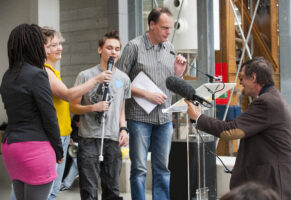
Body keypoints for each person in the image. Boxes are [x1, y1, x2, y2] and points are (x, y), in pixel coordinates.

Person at [185, 57, 291, 200]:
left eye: (242, 77)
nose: (240, 82)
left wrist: (199, 117)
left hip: (275, 184)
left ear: (254, 77)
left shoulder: (266, 102)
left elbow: (230, 130)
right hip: (277, 181)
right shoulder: (272, 98)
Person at [115, 7, 187, 200]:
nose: (168, 32)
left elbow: (172, 84)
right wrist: (145, 93)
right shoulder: (134, 47)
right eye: (164, 28)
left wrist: (178, 73)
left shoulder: (170, 49)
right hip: (138, 118)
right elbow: (118, 81)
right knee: (138, 168)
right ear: (152, 25)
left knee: (162, 168)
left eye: (170, 28)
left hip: (164, 118)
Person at [39, 27, 113, 200]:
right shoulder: (45, 71)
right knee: (49, 191)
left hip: (63, 136)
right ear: (42, 48)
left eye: (59, 44)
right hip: (53, 137)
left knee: (53, 189)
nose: (59, 48)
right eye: (53, 45)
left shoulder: (53, 72)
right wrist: (96, 80)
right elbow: (68, 95)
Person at [0, 24, 63, 200]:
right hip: (35, 149)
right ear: (35, 45)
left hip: (10, 147)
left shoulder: (8, 75)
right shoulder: (38, 74)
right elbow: (49, 117)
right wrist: (59, 150)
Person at [70, 30, 130, 200]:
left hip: (112, 139)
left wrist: (124, 129)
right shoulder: (85, 75)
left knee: (112, 189)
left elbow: (121, 109)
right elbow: (74, 108)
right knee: (89, 190)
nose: (114, 52)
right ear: (99, 50)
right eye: (109, 48)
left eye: (117, 49)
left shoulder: (123, 79)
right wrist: (92, 107)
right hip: (89, 139)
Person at [60, 115, 80, 191]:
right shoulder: (73, 126)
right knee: (76, 163)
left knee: (76, 164)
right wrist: (70, 139)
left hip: (78, 148)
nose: (78, 125)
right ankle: (65, 184)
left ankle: (65, 184)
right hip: (73, 147)